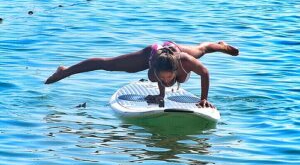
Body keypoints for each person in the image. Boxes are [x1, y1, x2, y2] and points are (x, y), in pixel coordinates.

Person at [45, 41, 239, 108]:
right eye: (162, 78)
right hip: (153, 52)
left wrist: (204, 99)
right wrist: (161, 94)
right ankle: (65, 71)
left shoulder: (185, 61)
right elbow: (160, 78)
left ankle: (220, 45)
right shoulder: (153, 71)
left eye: (169, 77)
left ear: (176, 70)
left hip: (174, 50)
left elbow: (204, 73)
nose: (166, 80)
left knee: (202, 50)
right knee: (109, 65)